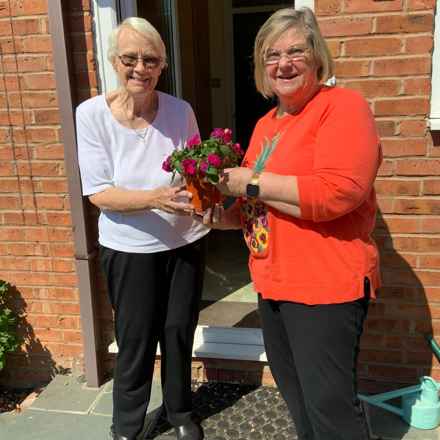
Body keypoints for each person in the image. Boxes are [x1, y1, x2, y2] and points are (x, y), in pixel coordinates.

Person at [201, 7, 381, 440]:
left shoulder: (341, 107)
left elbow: (339, 192)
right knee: (298, 399)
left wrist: (250, 182)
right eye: (271, 55)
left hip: (324, 286)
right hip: (274, 283)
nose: (283, 64)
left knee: (331, 411)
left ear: (317, 56)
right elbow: (260, 205)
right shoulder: (267, 124)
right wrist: (221, 217)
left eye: (296, 51)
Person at [75, 17, 208, 440]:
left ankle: (180, 411)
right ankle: (127, 426)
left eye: (150, 59)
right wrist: (156, 198)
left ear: (162, 65)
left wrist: (209, 198)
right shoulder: (92, 114)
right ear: (114, 61)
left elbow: (197, 172)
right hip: (128, 248)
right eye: (130, 58)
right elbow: (98, 192)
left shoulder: (180, 110)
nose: (140, 67)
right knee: (134, 342)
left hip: (185, 242)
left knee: (177, 333)